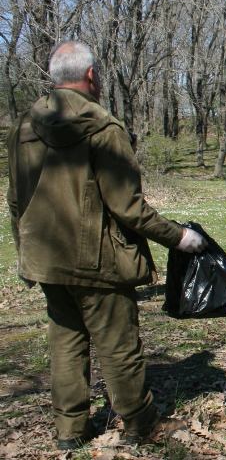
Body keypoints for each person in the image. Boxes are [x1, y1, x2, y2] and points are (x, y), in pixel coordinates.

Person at [6, 41, 207, 450]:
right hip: (97, 259)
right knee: (118, 345)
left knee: (66, 342)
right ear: (92, 76)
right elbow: (128, 207)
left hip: (46, 257)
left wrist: (25, 249)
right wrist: (181, 237)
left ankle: (70, 431)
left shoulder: (24, 126)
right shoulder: (103, 127)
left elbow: (15, 199)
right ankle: (139, 422)